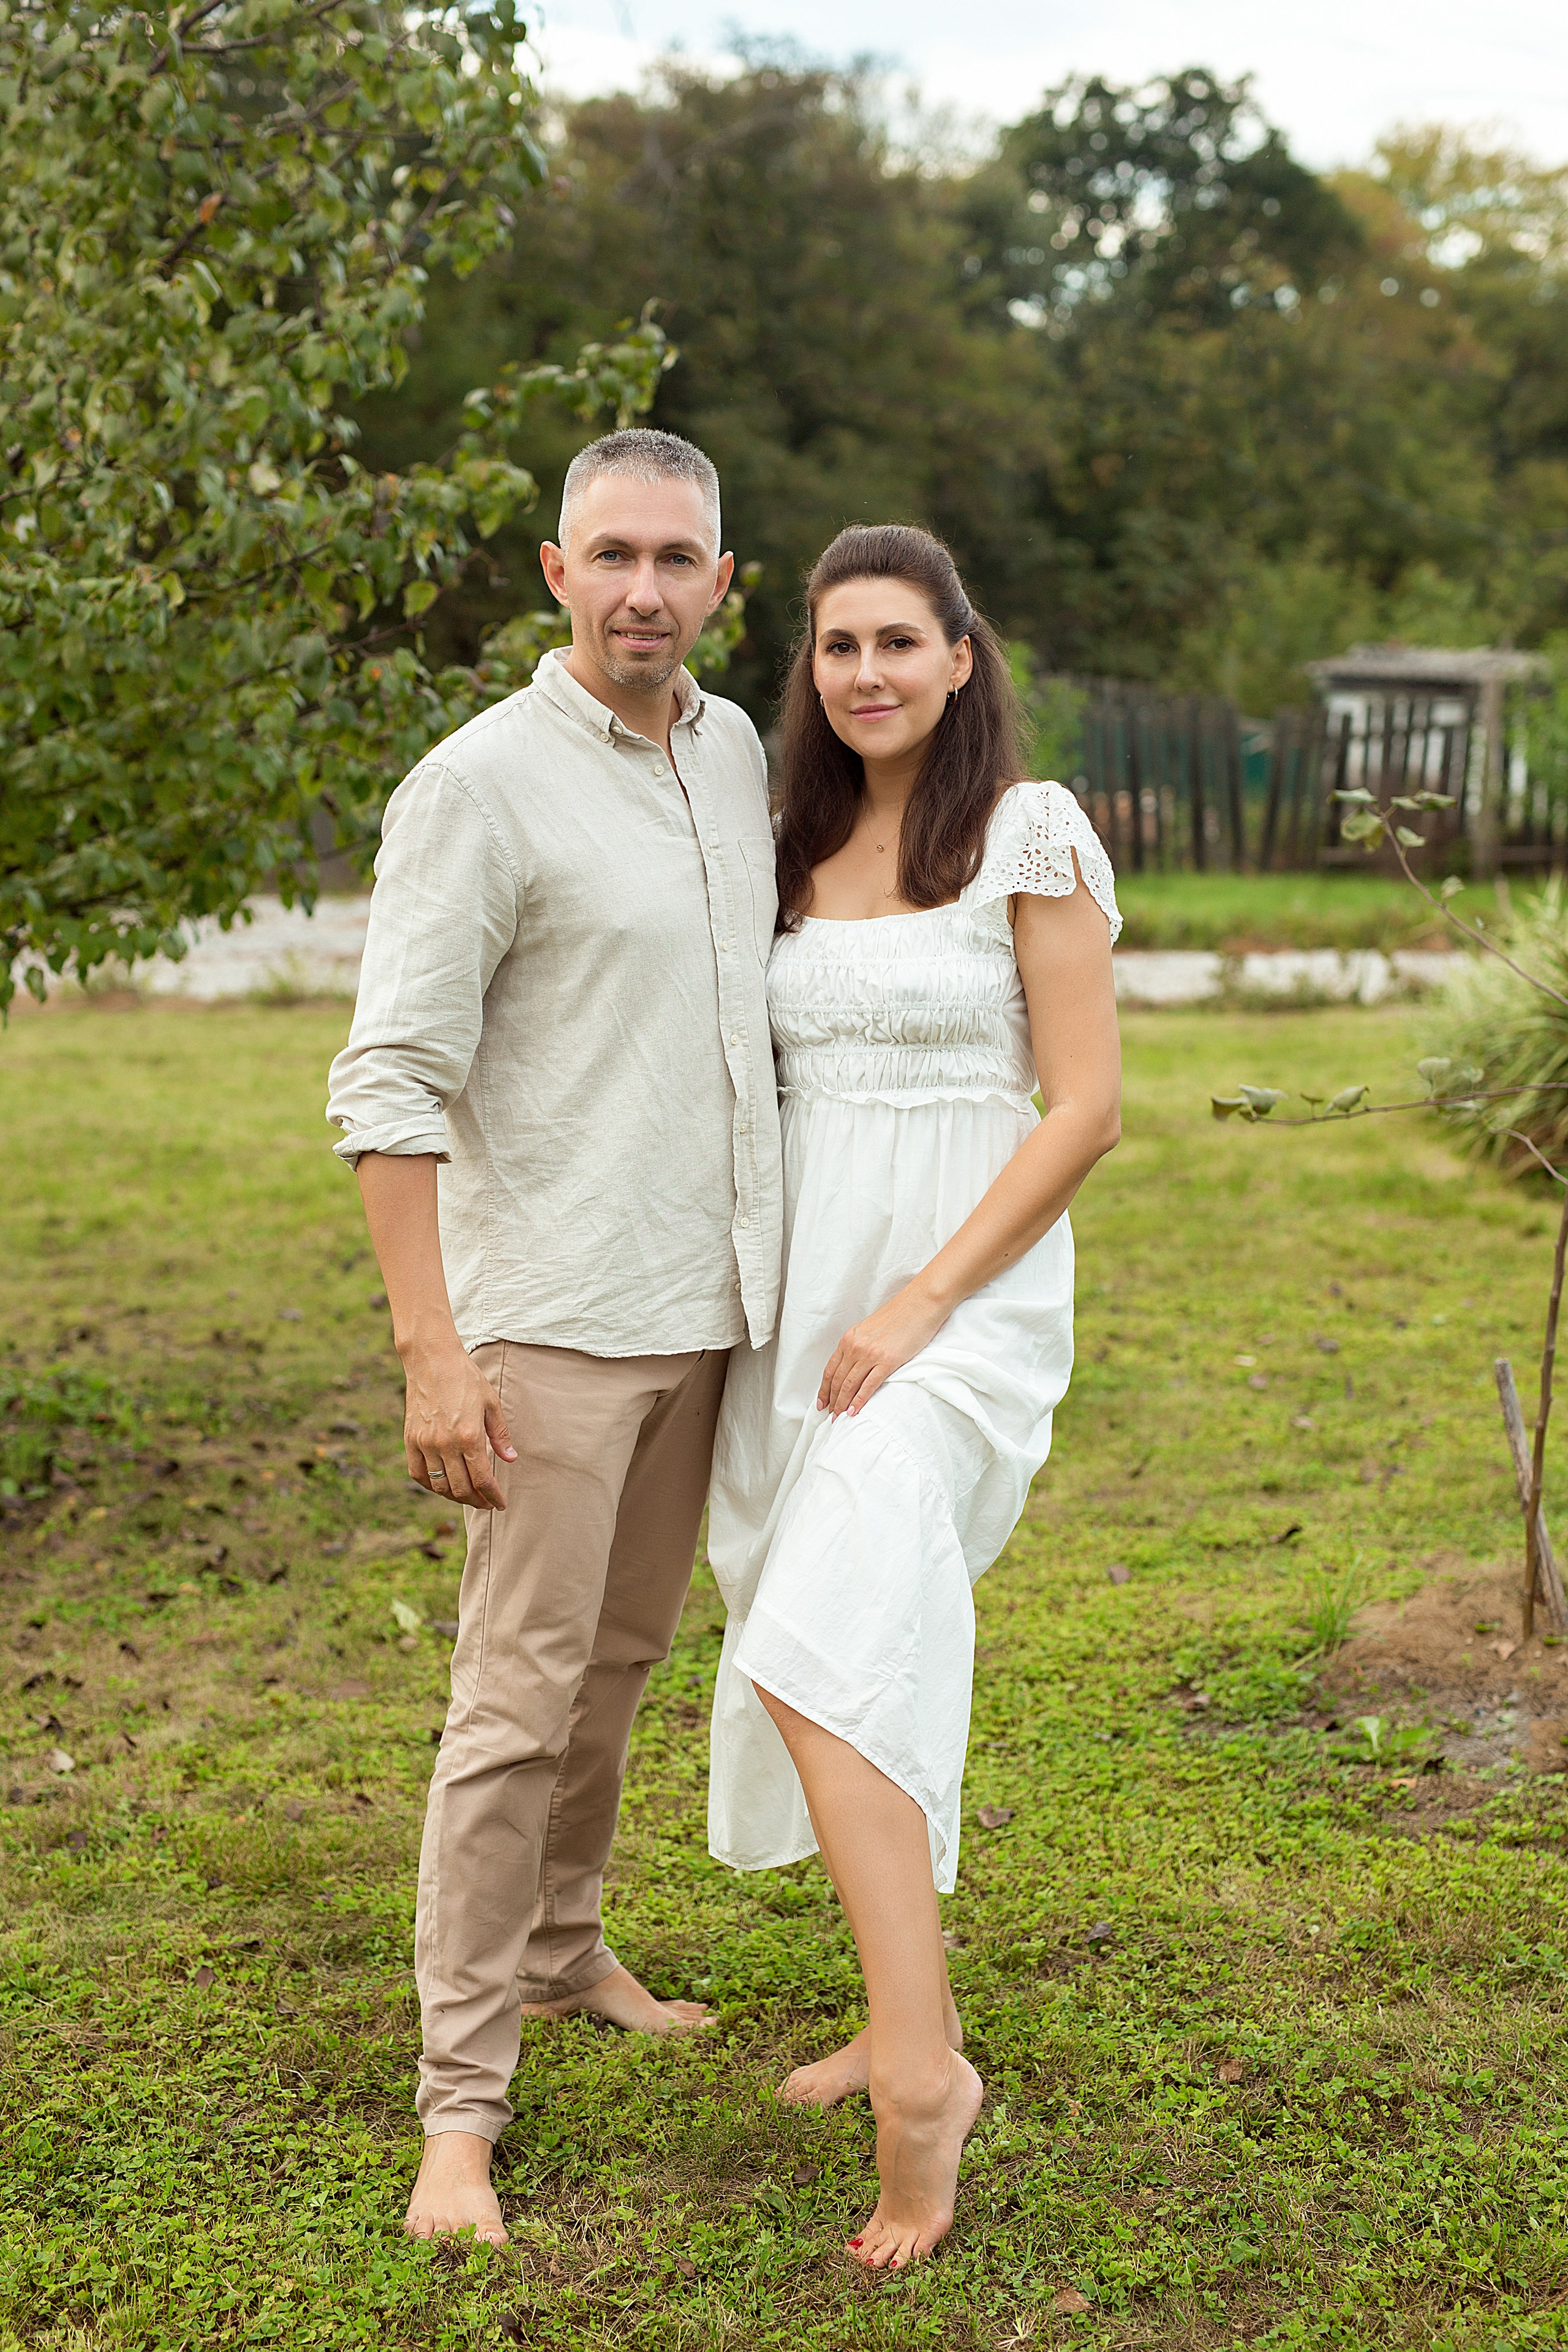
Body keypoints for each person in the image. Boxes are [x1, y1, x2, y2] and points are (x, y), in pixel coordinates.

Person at [325, 428, 783, 2247]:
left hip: (706, 1313)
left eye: (680, 559)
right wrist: (435, 1353)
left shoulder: (735, 753)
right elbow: (391, 1079)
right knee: (512, 1711)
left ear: (724, 583)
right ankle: (460, 2114)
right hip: (553, 1328)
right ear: (553, 570)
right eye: (614, 555)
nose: (646, 591)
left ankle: (567, 1949)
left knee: (617, 1672)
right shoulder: (480, 788)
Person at [706, 524, 1122, 2269]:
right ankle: (891, 2020)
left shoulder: (1030, 831)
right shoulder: (786, 846)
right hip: (801, 1310)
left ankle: (922, 2078)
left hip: (957, 1309)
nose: (866, 671)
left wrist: (923, 1304)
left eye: (899, 640)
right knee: (861, 1631)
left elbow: (1084, 1107)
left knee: (818, 1646)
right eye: (835, 646)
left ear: (964, 654)